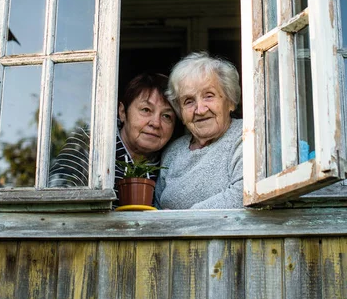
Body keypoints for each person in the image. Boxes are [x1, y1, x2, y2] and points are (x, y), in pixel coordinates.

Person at [49, 72, 178, 206]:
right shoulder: (91, 143)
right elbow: (55, 197)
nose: (156, 123)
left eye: (167, 116)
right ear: (122, 112)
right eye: (146, 110)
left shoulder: (172, 160)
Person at [154, 52, 243, 209]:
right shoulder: (173, 152)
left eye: (209, 96)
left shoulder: (245, 135)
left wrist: (180, 219)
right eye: (189, 101)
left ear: (230, 101)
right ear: (180, 111)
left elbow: (242, 195)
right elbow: (158, 207)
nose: (200, 110)